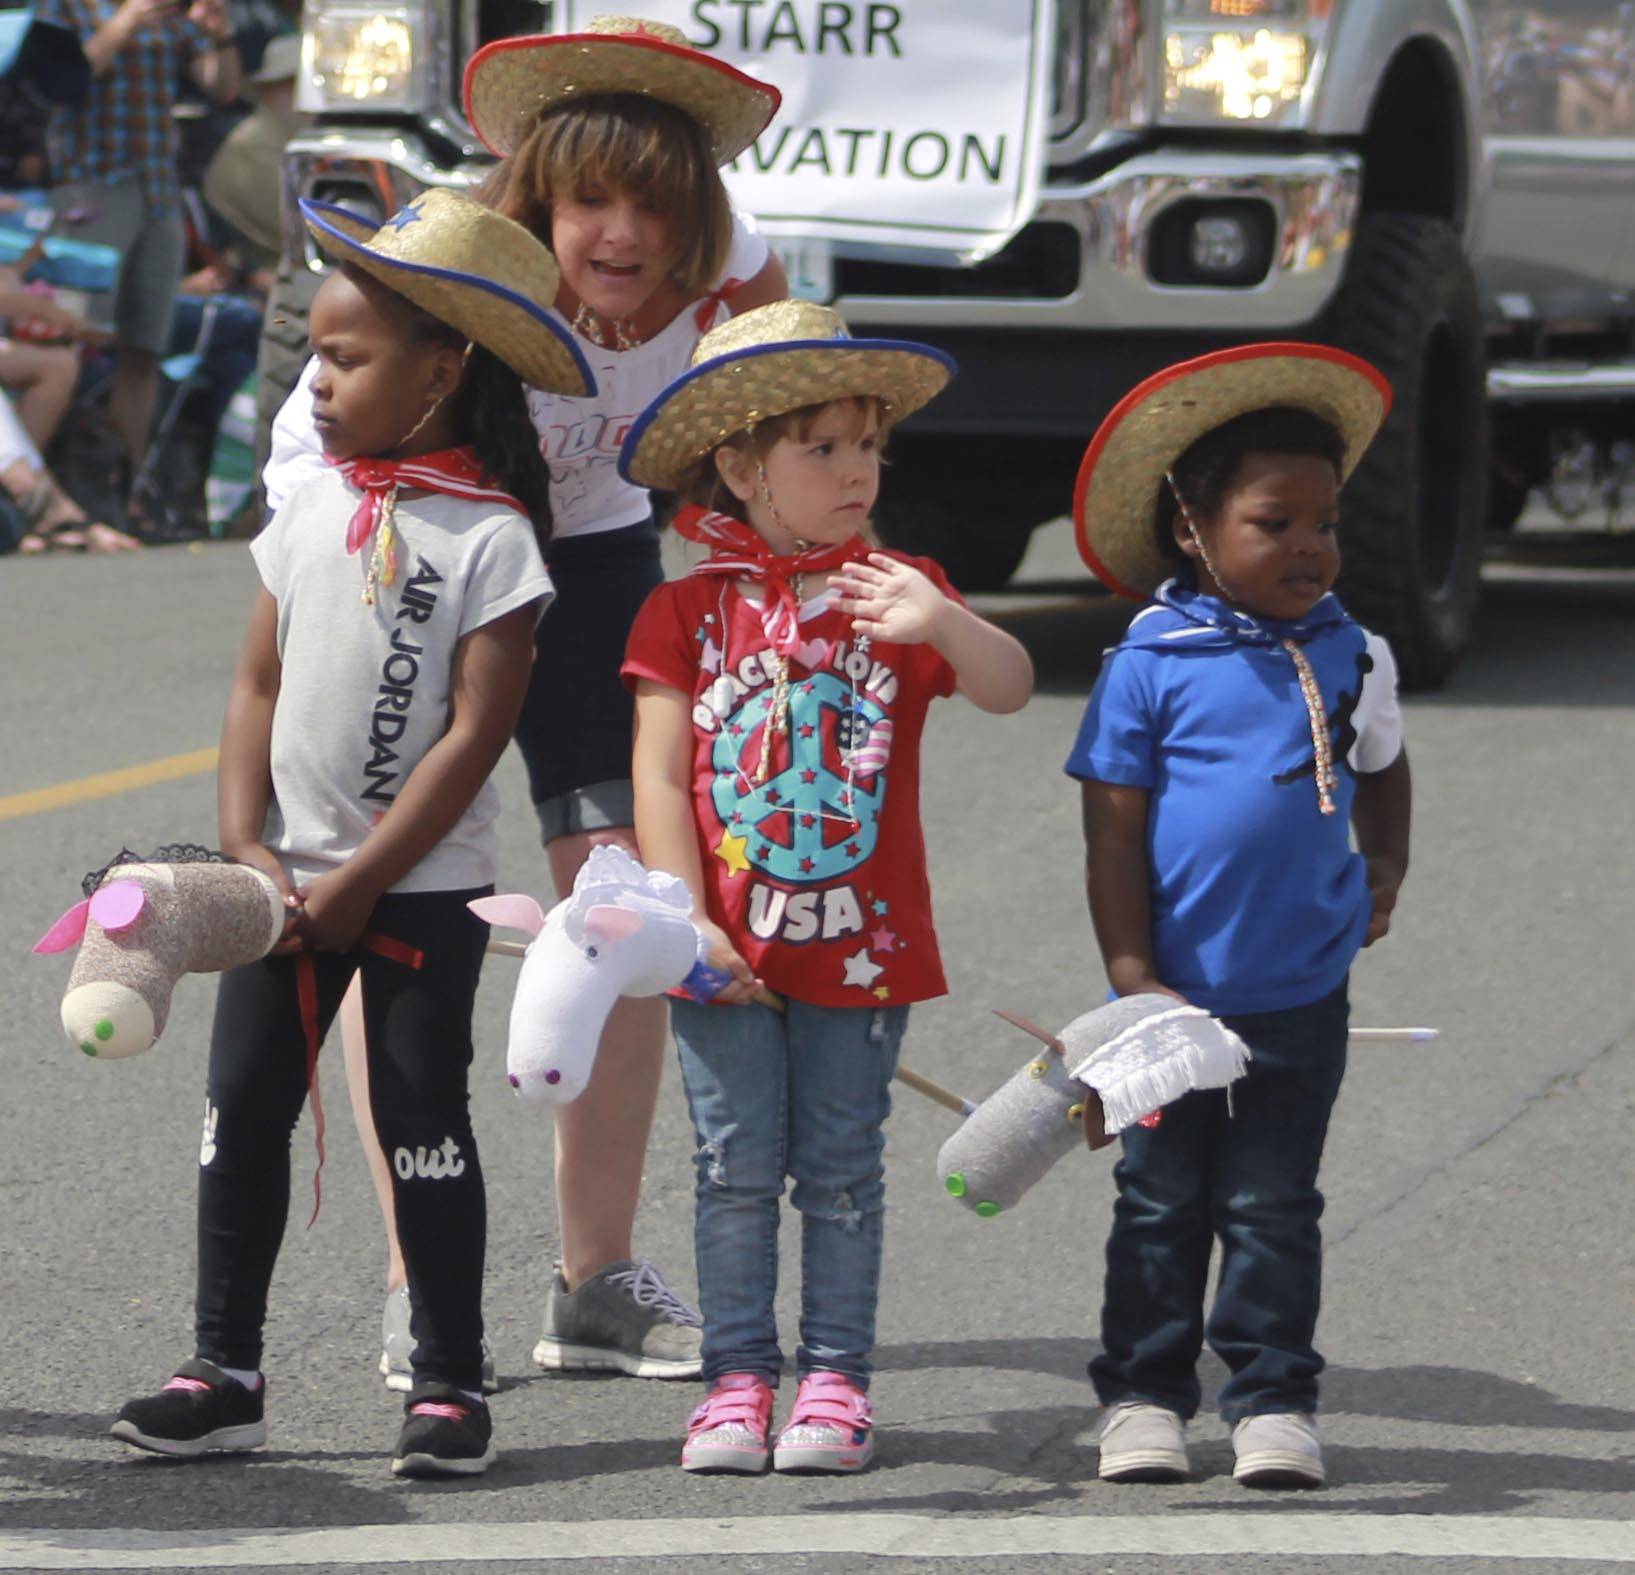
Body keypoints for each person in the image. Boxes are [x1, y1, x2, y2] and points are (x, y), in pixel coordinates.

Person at [263, 14, 788, 1393]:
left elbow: (773, 421)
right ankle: (416, 1283)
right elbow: (330, 406)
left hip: (592, 556)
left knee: (625, 908)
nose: (622, 235)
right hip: (402, 538)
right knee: (394, 902)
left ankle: (593, 1280)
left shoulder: (734, 272)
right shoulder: (455, 265)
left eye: (654, 207)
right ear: (536, 197)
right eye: (590, 200)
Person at [109, 187, 592, 1477]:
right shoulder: (308, 511)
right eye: (315, 357)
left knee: (423, 1123)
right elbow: (254, 685)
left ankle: (448, 1385)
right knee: (239, 1116)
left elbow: (475, 735)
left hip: (419, 890)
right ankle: (224, 1371)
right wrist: (244, 848)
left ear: (440, 374)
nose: (315, 384)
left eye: (345, 359)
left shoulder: (493, 540)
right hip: (281, 888)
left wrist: (370, 877)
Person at [620, 300, 1034, 1474]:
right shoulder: (685, 610)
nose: (858, 471)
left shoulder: (899, 591)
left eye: (869, 447)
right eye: (824, 448)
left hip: (862, 943)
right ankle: (737, 1379)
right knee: (733, 1167)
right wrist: (685, 918)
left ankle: (838, 1380)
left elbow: (1009, 685)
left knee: (843, 1169)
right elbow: (658, 772)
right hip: (724, 949)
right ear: (741, 468)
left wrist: (943, 620)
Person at [1064, 343, 1414, 1490]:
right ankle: (1143, 1399)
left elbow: (1385, 764)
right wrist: (1133, 975)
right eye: (1276, 522)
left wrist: (1385, 867)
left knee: (1272, 1206)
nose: (1311, 544)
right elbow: (1112, 835)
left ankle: (1272, 1402)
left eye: (1327, 522)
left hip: (1302, 992)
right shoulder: (1148, 663)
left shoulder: (1354, 651)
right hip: (1167, 1001)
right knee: (1159, 1202)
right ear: (1192, 529)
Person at [33, 0, 241, 481]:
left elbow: (223, 88)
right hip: (92, 192)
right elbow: (62, 83)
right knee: (70, 338)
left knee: (144, 349)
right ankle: (49, 486)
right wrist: (126, 18)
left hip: (159, 194)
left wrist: (221, 35)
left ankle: (124, 484)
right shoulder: (65, 7)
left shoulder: (169, 14)